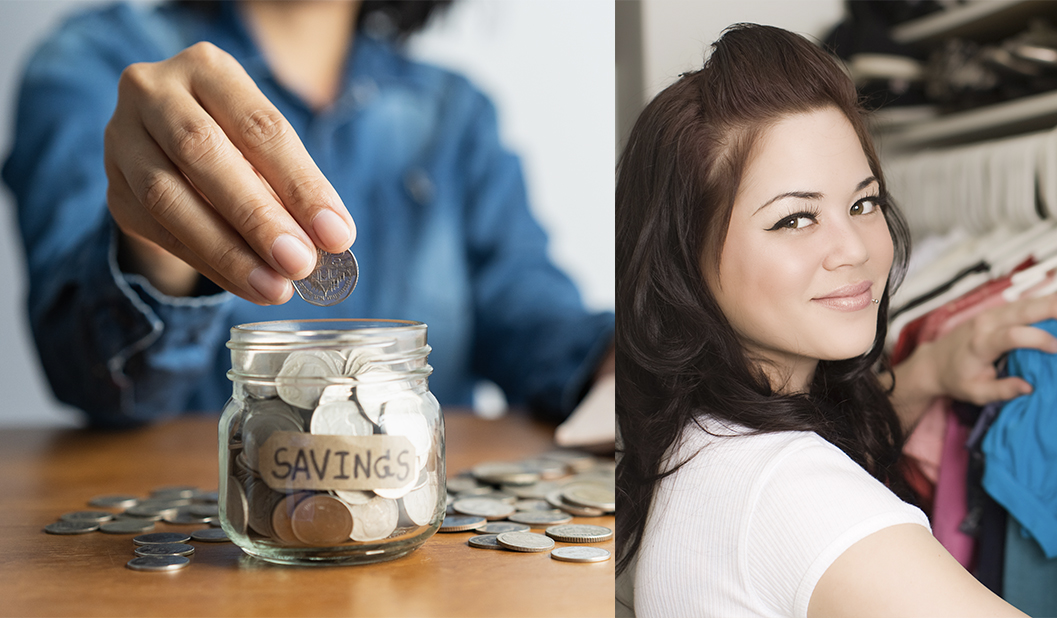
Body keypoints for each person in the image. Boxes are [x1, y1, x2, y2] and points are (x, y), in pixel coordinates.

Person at [615, 24, 1057, 617]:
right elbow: (796, 513)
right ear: (682, 255)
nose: (854, 248)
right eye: (795, 219)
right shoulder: (797, 500)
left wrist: (926, 372)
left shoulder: (698, 442)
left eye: (863, 202)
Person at [3, 1, 613, 428]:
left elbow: (532, 314)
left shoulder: (456, 113)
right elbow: (87, 376)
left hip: (410, 537)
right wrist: (154, 241)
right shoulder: (92, 65)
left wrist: (617, 359)